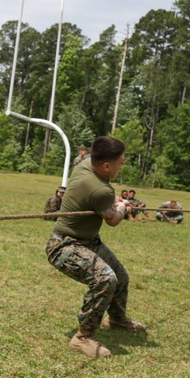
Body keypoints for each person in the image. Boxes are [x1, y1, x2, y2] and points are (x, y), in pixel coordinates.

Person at [46, 135, 145, 359]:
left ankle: (117, 319)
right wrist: (121, 206)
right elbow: (113, 219)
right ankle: (83, 337)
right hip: (64, 244)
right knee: (105, 278)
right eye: (121, 162)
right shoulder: (102, 191)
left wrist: (115, 202)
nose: (123, 165)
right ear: (107, 165)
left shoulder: (86, 164)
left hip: (88, 241)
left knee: (121, 276)